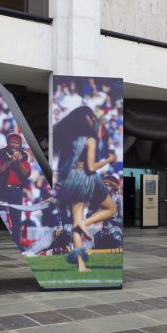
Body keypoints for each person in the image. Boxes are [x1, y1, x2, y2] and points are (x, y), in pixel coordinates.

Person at [53, 106, 118, 272]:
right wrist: (108, 160)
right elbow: (91, 167)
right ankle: (85, 223)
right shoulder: (90, 140)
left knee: (76, 224)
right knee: (111, 208)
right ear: (84, 120)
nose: (93, 120)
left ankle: (81, 266)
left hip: (71, 180)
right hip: (86, 179)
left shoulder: (69, 139)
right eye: (91, 117)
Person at [0, 132, 32, 248]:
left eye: (17, 143)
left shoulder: (25, 154)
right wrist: (10, 161)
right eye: (12, 142)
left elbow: (26, 174)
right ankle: (1, 245)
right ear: (8, 142)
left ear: (20, 144)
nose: (14, 145)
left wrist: (18, 162)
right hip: (2, 189)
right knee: (2, 218)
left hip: (17, 191)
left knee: (17, 220)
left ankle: (16, 246)